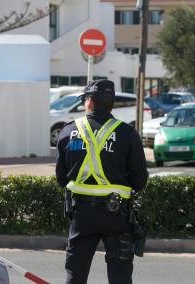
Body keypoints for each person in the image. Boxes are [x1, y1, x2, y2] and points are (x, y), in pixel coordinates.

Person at [56, 79, 148, 284]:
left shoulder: (67, 132)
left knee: (75, 275)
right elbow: (139, 180)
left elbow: (61, 179)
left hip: (81, 215)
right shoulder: (127, 133)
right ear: (112, 102)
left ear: (88, 101)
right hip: (117, 215)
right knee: (120, 276)